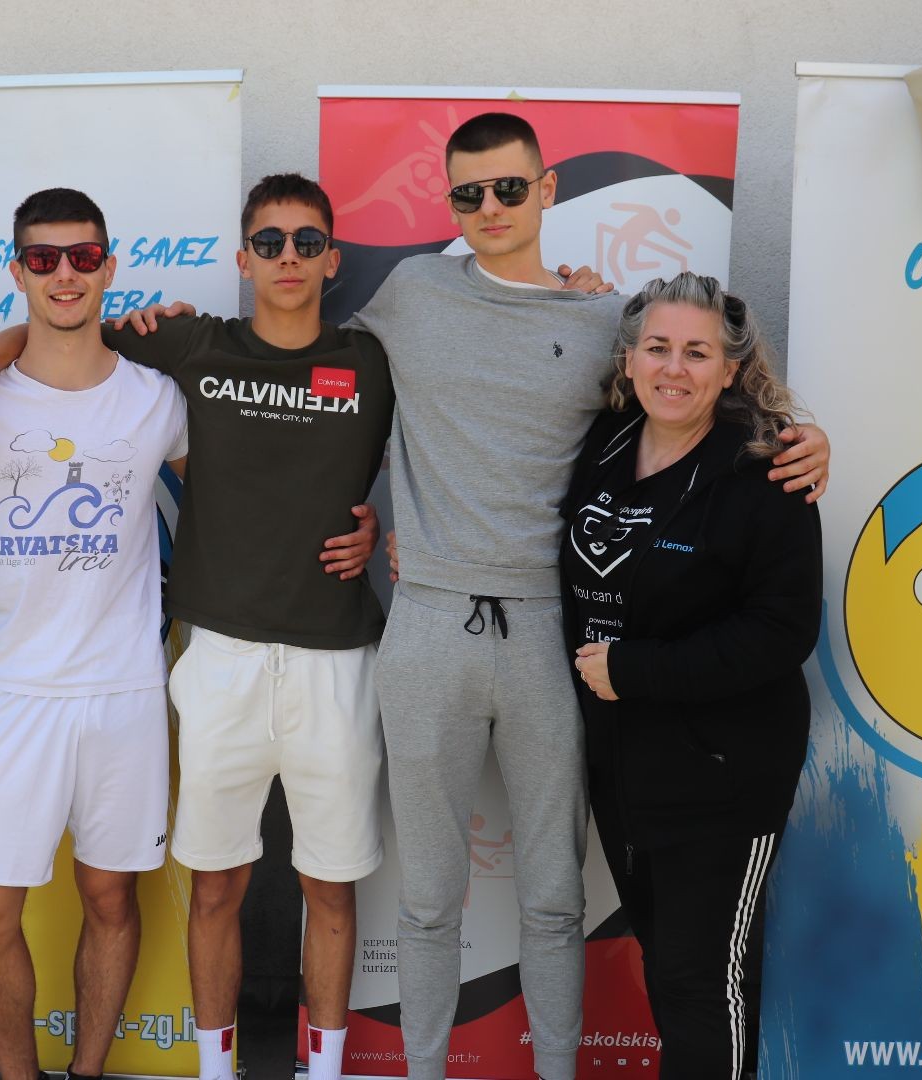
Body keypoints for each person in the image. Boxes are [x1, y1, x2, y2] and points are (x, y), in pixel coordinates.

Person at [346, 112, 829, 1080]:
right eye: (468, 193)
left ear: (547, 189)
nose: (489, 207)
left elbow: (698, 397)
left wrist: (806, 440)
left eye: (508, 187)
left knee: (555, 898)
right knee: (426, 898)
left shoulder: (606, 321)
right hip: (429, 623)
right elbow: (315, 381)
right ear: (450, 202)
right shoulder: (412, 291)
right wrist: (353, 515)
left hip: (549, 639)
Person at [0, 173, 393, 1080]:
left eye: (83, 257)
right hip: (27, 689)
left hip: (142, 686)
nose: (65, 274)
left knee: (116, 900)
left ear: (109, 266)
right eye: (44, 260)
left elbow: (279, 475)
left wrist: (372, 530)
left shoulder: (170, 391)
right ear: (17, 269)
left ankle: (90, 1073)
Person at [563, 272, 822, 1080]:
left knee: (703, 980)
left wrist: (636, 670)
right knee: (666, 964)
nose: (674, 368)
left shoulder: (768, 471)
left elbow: (783, 632)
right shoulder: (605, 443)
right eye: (658, 347)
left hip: (722, 772)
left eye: (697, 353)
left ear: (731, 369)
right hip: (623, 765)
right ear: (630, 359)